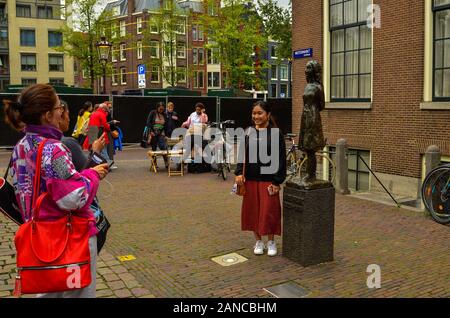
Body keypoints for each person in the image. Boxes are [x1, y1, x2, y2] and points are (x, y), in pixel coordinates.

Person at [4, 84, 109, 297]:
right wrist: (92, 175)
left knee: (47, 291)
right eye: (58, 106)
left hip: (38, 238)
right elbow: (73, 197)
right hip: (69, 235)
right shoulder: (54, 149)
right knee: (78, 293)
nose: (61, 110)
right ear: (47, 115)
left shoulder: (21, 146)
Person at [234, 100, 286, 257]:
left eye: (259, 113)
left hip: (268, 180)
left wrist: (277, 181)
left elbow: (281, 159)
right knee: (253, 211)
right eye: (254, 113)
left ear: (268, 115)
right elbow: (241, 154)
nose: (256, 116)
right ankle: (258, 241)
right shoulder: (248, 132)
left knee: (269, 212)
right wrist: (238, 173)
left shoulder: (276, 134)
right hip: (250, 179)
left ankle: (271, 241)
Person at [299, 60, 326, 183]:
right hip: (305, 117)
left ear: (314, 71)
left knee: (310, 148)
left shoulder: (318, 87)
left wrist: (312, 112)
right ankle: (309, 174)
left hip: (313, 117)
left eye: (309, 68)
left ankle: (311, 175)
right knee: (306, 147)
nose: (306, 70)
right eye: (306, 68)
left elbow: (322, 105)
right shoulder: (307, 86)